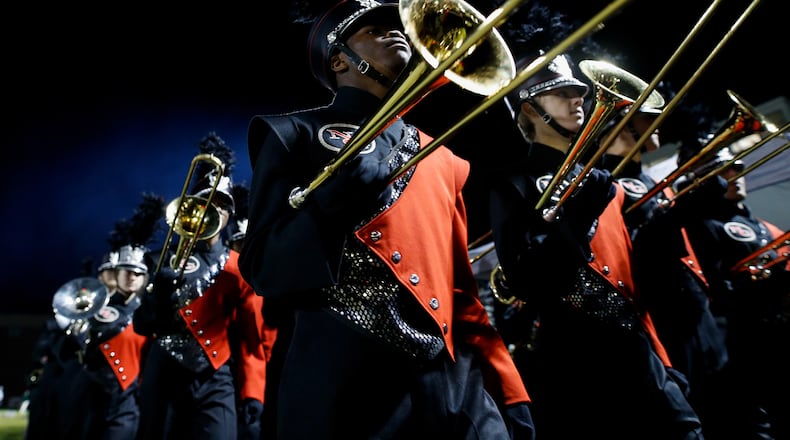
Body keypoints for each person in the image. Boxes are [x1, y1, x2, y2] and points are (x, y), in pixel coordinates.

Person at [238, 1, 534, 438]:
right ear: (339, 59)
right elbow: (263, 266)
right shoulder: (292, 133)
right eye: (372, 30)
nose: (394, 33)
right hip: (341, 371)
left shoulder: (445, 157)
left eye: (396, 27)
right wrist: (332, 203)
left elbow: (459, 290)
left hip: (447, 379)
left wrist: (509, 390)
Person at [487, 50, 704, 439]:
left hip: (637, 347)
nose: (578, 100)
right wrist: (576, 219)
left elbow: (627, 281)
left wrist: (662, 359)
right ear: (530, 108)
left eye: (578, 92)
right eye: (561, 93)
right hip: (574, 355)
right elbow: (526, 281)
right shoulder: (513, 184)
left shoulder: (603, 181)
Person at [596, 104, 729, 430]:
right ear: (620, 127)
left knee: (731, 408)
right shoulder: (606, 184)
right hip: (661, 314)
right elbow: (629, 250)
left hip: (698, 311)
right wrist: (679, 211)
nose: (656, 124)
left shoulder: (653, 181)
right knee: (697, 414)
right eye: (645, 118)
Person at [133, 133, 271, 440]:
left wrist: (253, 393)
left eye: (222, 204)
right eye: (207, 201)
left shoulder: (238, 267)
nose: (214, 209)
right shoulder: (160, 258)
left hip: (215, 372)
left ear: (230, 213)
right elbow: (143, 325)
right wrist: (160, 294)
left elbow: (252, 341)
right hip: (163, 367)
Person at [668, 145, 790, 439]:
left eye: (737, 166)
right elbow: (716, 291)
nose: (736, 174)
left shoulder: (765, 227)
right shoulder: (700, 226)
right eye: (724, 169)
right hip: (742, 349)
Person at [74, 194, 163, 440]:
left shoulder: (149, 310)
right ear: (117, 273)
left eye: (137, 272)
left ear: (144, 277)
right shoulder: (97, 305)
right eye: (126, 271)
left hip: (128, 399)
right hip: (93, 395)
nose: (132, 276)